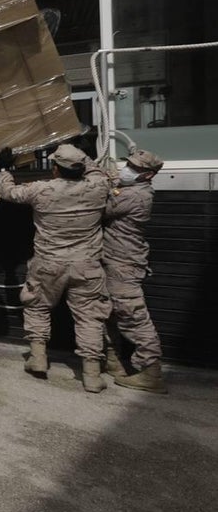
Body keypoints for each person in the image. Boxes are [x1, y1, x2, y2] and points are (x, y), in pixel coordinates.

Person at [0, 144, 112, 393]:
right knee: (89, 316)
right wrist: (77, 152)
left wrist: (4, 168)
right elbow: (96, 170)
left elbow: (8, 193)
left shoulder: (41, 189)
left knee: (37, 307)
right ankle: (91, 373)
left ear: (55, 169)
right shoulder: (99, 187)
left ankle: (38, 358)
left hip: (48, 263)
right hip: (86, 265)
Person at [102, 146, 167, 393]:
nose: (127, 170)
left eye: (134, 168)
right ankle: (113, 362)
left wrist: (98, 181)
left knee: (133, 316)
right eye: (128, 165)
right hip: (117, 261)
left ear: (148, 175)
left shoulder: (135, 196)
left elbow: (102, 208)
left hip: (123, 263)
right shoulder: (133, 189)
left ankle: (151, 373)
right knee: (111, 312)